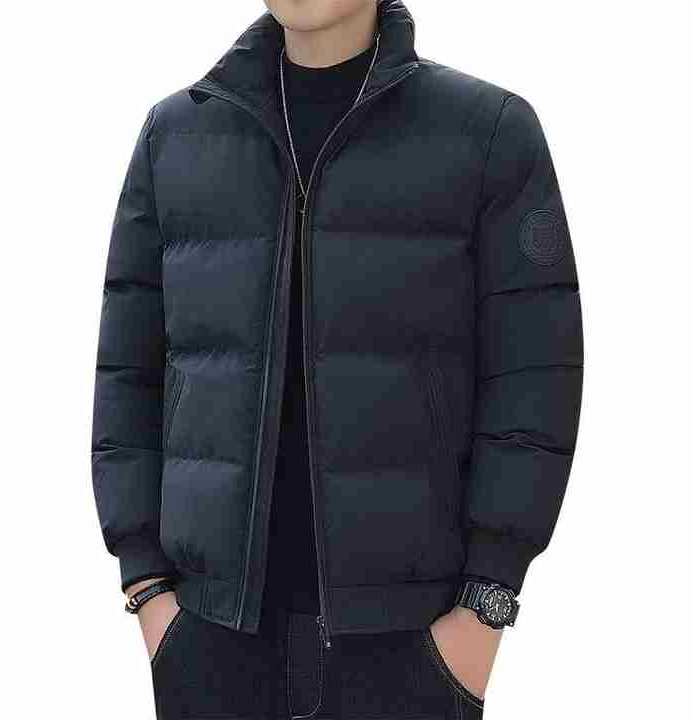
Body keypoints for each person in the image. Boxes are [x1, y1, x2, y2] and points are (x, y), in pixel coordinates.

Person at [92, 1, 583, 717]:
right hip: (210, 639)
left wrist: (485, 606)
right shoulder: (177, 136)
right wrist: (148, 590)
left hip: (409, 643)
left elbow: (535, 376)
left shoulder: (487, 133)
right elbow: (128, 371)